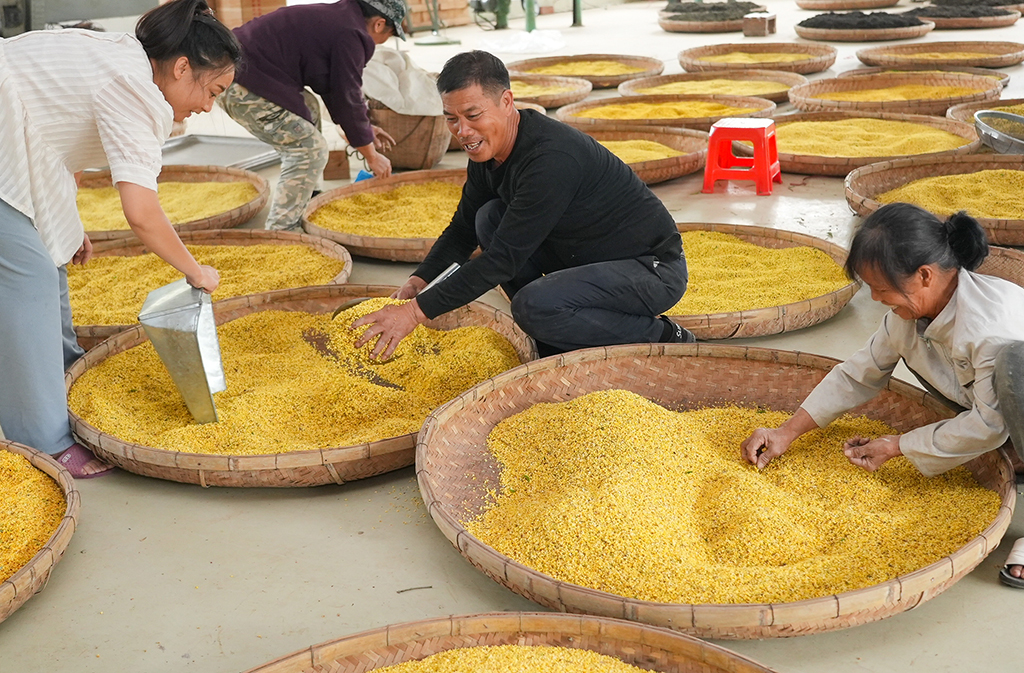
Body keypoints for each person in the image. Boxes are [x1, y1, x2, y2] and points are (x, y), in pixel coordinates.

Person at [0, 0, 239, 477]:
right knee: (30, 281)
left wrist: (62, 217)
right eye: (212, 91)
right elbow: (142, 213)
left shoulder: (125, 59)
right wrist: (196, 271)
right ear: (182, 67)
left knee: (52, 253)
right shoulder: (136, 89)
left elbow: (53, 134)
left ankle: (67, 375)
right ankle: (43, 439)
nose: (208, 106)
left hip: (14, 130)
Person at [739, 202, 1024, 588]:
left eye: (882, 288)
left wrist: (898, 446)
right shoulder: (908, 316)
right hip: (1000, 411)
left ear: (924, 275)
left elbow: (989, 425)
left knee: (1015, 364)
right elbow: (859, 373)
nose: (876, 299)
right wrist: (786, 432)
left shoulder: (990, 328)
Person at [351, 50, 693, 360]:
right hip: (584, 256)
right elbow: (463, 229)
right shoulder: (487, 153)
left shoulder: (550, 159)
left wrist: (414, 313)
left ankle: (667, 336)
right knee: (488, 218)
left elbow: (502, 261)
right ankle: (557, 332)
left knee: (532, 306)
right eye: (451, 118)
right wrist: (420, 279)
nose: (463, 131)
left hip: (651, 269)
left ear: (506, 101)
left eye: (472, 115)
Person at [218, 0, 406, 231]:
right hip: (237, 81)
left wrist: (363, 130)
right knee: (309, 149)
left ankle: (304, 195)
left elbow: (336, 88)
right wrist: (371, 155)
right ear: (379, 24)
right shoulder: (352, 34)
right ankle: (282, 231)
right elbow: (347, 95)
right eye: (390, 34)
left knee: (309, 107)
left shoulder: (342, 18)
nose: (385, 40)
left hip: (245, 72)